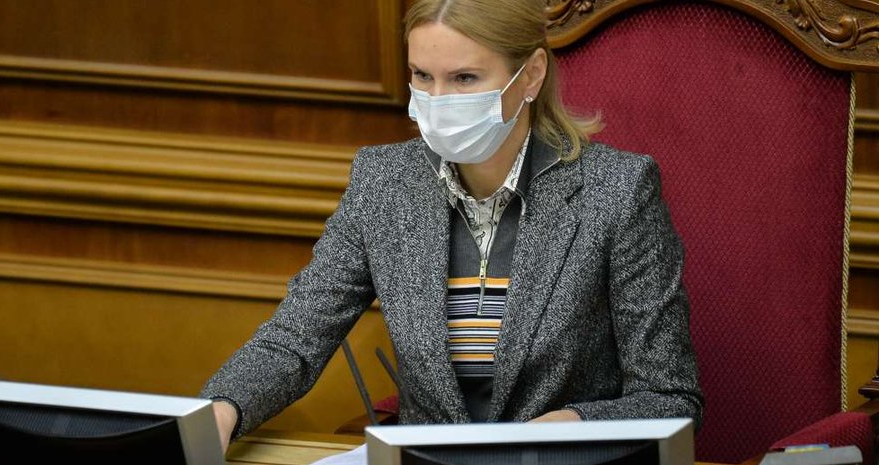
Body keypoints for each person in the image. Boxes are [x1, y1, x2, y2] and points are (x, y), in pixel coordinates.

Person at [202, 0, 703, 453]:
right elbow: (295, 338)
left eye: (464, 79)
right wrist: (222, 410)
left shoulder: (617, 190)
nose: (437, 100)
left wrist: (570, 425)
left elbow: (670, 398)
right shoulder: (384, 183)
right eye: (422, 76)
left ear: (530, 76)